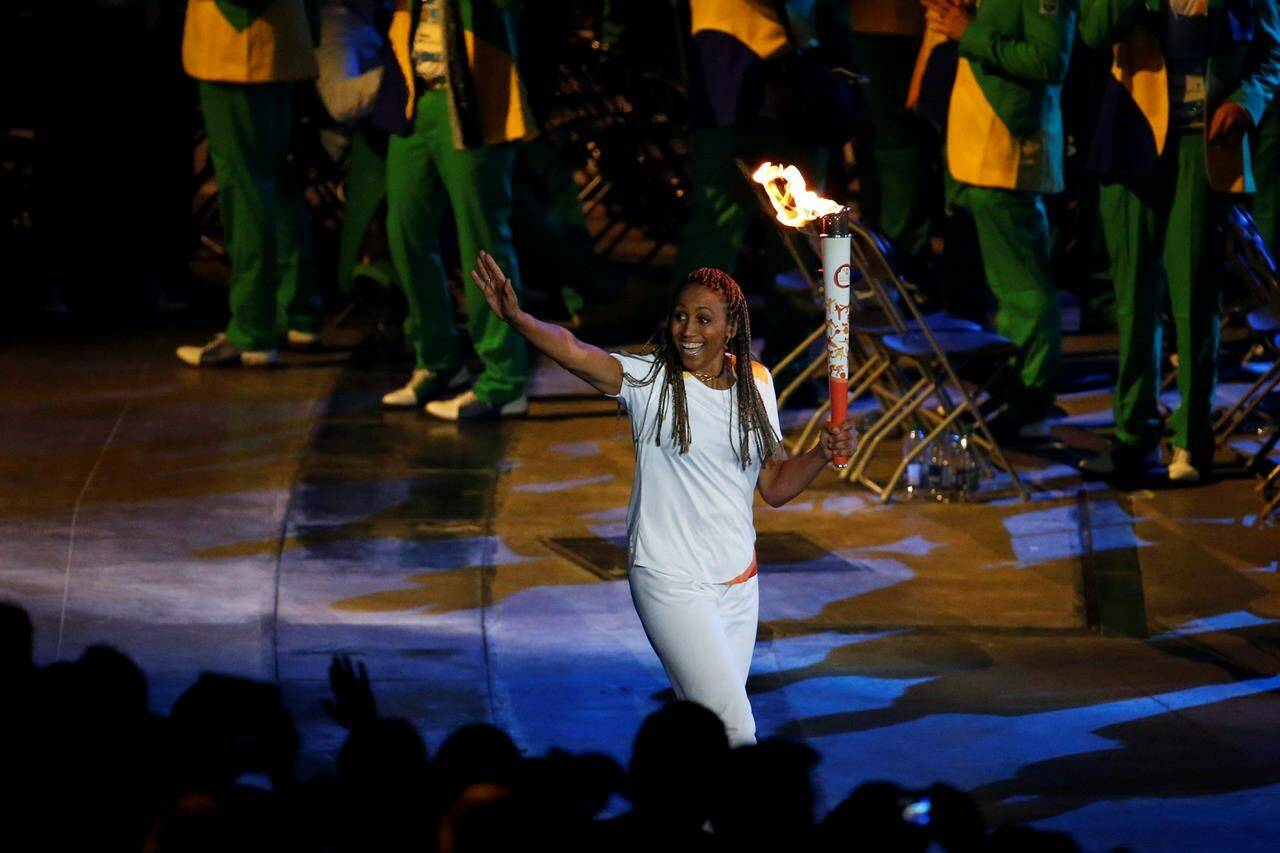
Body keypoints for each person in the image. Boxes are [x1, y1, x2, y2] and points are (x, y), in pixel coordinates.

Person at [468, 251, 856, 746]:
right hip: (669, 579)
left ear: (732, 324)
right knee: (736, 730)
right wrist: (520, 320)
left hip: (739, 583)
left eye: (703, 319)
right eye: (679, 315)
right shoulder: (648, 379)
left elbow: (776, 485)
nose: (687, 329)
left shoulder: (756, 382)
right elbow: (575, 350)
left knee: (707, 734)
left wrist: (822, 453)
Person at [1077, 0, 1280, 482]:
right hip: (1131, 138)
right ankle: (1133, 437)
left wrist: (1245, 101)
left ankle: (1192, 441)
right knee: (1133, 301)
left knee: (1195, 298)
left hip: (1202, 142)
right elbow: (1093, 30)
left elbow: (1272, 55)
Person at [372, 0, 536, 419]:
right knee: (404, 233)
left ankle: (504, 381)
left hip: (475, 98)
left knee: (482, 243)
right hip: (415, 95)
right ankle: (438, 359)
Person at [922, 0, 1075, 439]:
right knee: (1008, 291)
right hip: (977, 155)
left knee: (1024, 289)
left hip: (1009, 151)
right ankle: (1015, 390)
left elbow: (1050, 59)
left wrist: (969, 31)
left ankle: (1030, 399)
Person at [177, 0, 323, 367]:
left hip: (238, 45)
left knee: (246, 189)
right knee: (276, 179)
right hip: (281, 40)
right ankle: (297, 312)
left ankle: (252, 329)